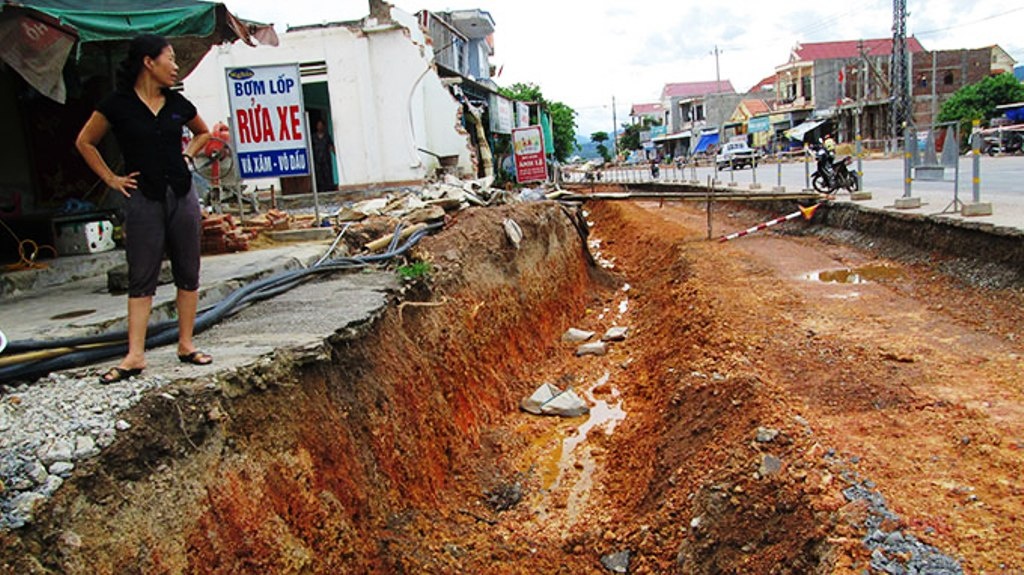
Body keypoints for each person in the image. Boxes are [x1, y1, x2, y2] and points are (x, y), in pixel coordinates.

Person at [76, 34, 212, 384]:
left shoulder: (177, 102)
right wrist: (110, 178)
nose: (176, 66)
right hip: (143, 197)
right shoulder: (117, 105)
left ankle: (186, 343)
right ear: (148, 62)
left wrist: (187, 155)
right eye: (170, 58)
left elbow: (202, 133)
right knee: (142, 274)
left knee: (188, 269)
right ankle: (135, 354)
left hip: (181, 194)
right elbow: (85, 142)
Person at [311, 118, 336, 192]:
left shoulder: (327, 136)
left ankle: (329, 189)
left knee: (327, 174)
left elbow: (331, 146)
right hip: (317, 159)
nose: (320, 127)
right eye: (318, 125)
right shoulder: (313, 137)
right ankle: (320, 190)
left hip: (326, 159)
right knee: (319, 176)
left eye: (321, 125)